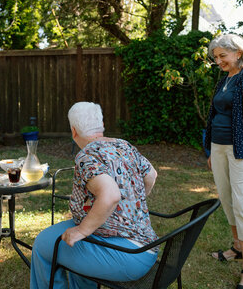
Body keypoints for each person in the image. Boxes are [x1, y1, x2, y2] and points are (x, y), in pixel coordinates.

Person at [30, 102, 159, 289]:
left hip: (126, 254)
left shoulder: (87, 156)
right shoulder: (124, 145)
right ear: (102, 125)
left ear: (74, 131)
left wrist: (82, 231)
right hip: (145, 247)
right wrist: (135, 201)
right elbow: (152, 175)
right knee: (53, 237)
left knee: (43, 246)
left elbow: (111, 195)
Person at [204, 34, 243, 289]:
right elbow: (213, 115)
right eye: (216, 57)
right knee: (227, 200)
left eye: (223, 56)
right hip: (218, 148)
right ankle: (237, 247)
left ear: (239, 53)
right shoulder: (225, 80)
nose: (218, 61)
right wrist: (210, 150)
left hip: (242, 151)